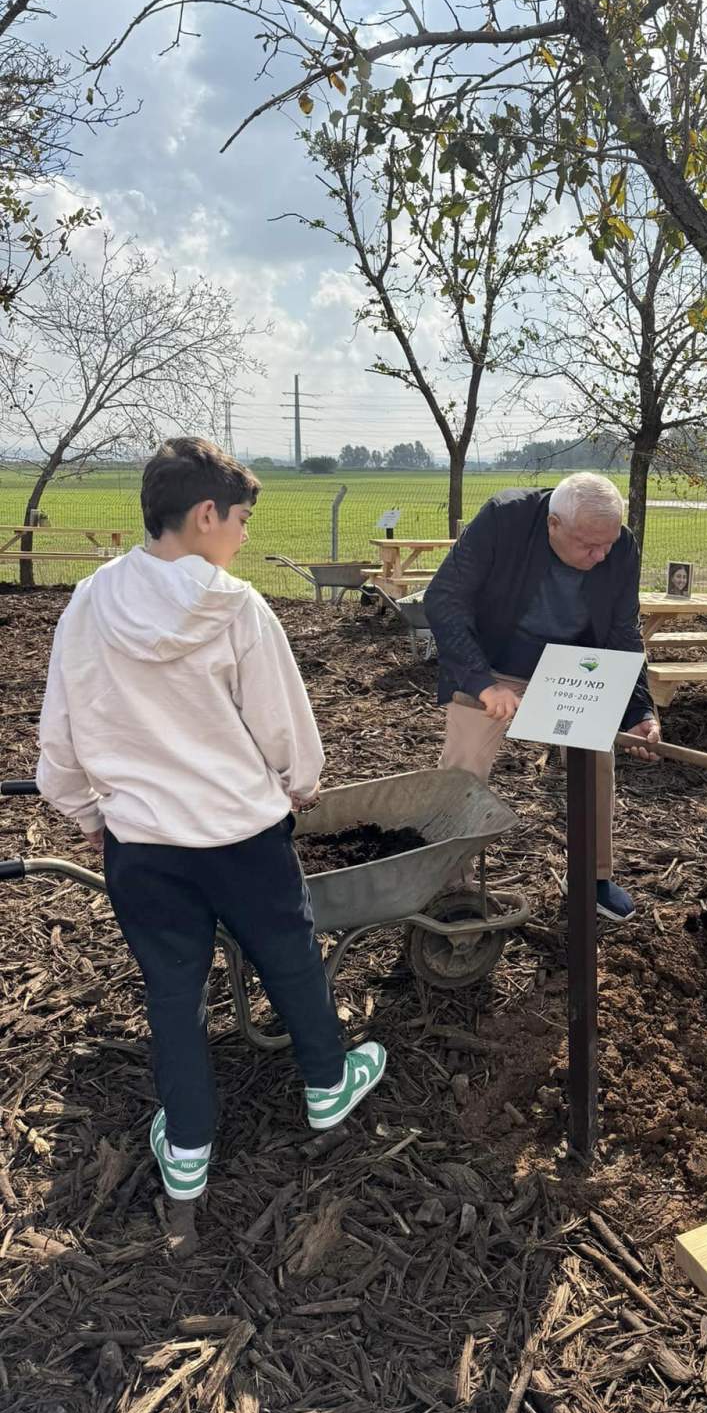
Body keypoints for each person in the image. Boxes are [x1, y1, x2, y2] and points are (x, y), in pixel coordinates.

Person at [36, 438, 386, 1203]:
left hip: (145, 846)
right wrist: (302, 782)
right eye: (241, 519)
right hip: (243, 838)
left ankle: (187, 1147)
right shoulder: (236, 608)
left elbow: (61, 736)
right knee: (289, 954)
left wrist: (89, 813)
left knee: (172, 989)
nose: (245, 535)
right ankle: (327, 1083)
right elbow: (283, 723)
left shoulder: (90, 601)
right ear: (204, 515)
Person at [424, 473, 661, 922]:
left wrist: (638, 709)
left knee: (597, 759)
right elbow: (445, 598)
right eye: (589, 546)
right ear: (553, 523)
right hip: (494, 661)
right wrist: (479, 680)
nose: (601, 555)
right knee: (464, 763)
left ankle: (592, 877)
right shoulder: (504, 519)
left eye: (608, 544)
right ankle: (450, 884)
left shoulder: (618, 544)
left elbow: (623, 630)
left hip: (574, 667)